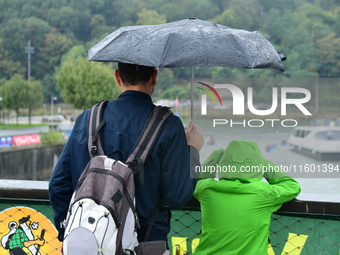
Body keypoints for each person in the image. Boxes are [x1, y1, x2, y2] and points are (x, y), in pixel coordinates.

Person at [48, 63, 204, 254]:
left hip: (89, 244)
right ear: (154, 77)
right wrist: (192, 151)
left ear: (117, 76)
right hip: (147, 245)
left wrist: (72, 231)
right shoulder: (169, 125)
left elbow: (58, 186)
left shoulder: (87, 119)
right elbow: (177, 196)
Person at [193, 140, 301, 255]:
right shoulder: (263, 192)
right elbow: (292, 185)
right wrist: (259, 163)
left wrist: (218, 153)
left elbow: (194, 180)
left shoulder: (206, 189)